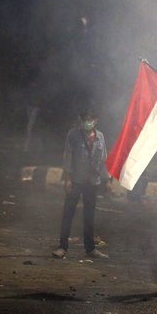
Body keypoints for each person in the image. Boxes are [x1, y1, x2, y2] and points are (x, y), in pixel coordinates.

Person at [52, 110, 110, 259]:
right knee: (68, 213)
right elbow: (68, 156)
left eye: (89, 119)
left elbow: (104, 158)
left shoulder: (100, 137)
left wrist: (107, 179)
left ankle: (90, 248)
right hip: (76, 180)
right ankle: (62, 247)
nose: (86, 122)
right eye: (84, 119)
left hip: (92, 182)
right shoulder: (73, 135)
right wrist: (68, 178)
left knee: (89, 216)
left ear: (96, 120)